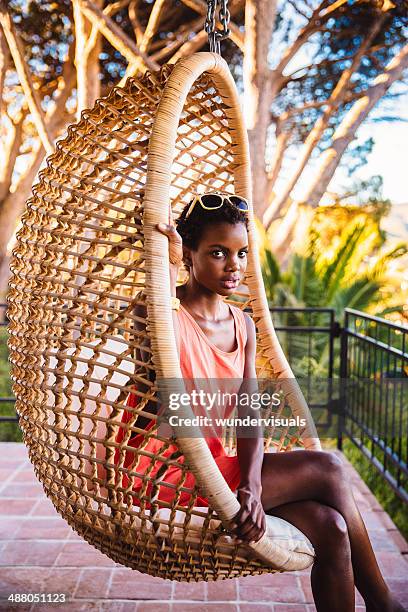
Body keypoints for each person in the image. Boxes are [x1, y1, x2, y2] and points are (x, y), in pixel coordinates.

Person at [117, 192, 404, 612]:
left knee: (332, 528)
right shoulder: (161, 314)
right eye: (217, 252)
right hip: (163, 470)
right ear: (189, 253)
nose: (233, 265)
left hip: (214, 466)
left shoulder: (242, 323)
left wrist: (251, 488)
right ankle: (384, 605)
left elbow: (249, 413)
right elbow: (152, 331)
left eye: (241, 252)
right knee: (330, 467)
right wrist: (166, 265)